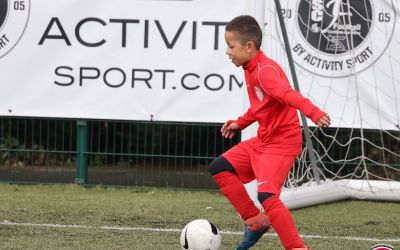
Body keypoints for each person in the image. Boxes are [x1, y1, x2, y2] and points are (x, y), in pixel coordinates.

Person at [208, 15, 331, 250]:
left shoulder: (265, 71)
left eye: (231, 46)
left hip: (281, 144)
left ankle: (296, 247)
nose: (227, 52)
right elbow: (262, 107)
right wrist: (240, 123)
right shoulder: (249, 66)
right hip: (264, 139)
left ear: (249, 47)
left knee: (267, 196)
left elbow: (288, 94)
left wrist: (313, 112)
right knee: (220, 167)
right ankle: (255, 221)